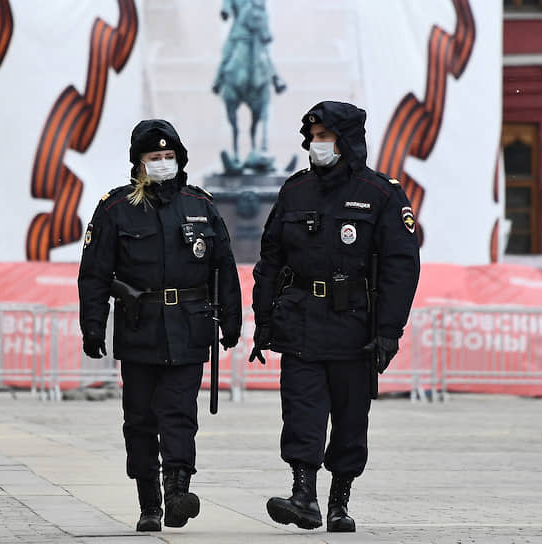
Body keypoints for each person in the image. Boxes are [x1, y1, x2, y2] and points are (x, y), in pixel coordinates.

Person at [249, 101, 420, 532]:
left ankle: (339, 503)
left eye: (325, 137)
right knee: (301, 412)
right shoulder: (295, 190)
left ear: (346, 141)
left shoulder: (381, 194)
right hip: (301, 321)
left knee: (349, 419)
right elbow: (270, 259)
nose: (317, 145)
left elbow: (401, 268)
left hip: (354, 326)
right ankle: (302, 496)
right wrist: (263, 319)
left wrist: (389, 331)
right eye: (313, 137)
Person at [77, 119, 242, 532]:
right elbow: (94, 273)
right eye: (156, 156)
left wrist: (232, 321)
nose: (163, 162)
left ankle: (177, 491)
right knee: (140, 419)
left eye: (169, 156)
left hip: (189, 327)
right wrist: (93, 326)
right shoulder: (116, 208)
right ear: (139, 162)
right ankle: (149, 502)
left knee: (179, 413)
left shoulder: (200, 205)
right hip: (140, 328)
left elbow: (224, 267)